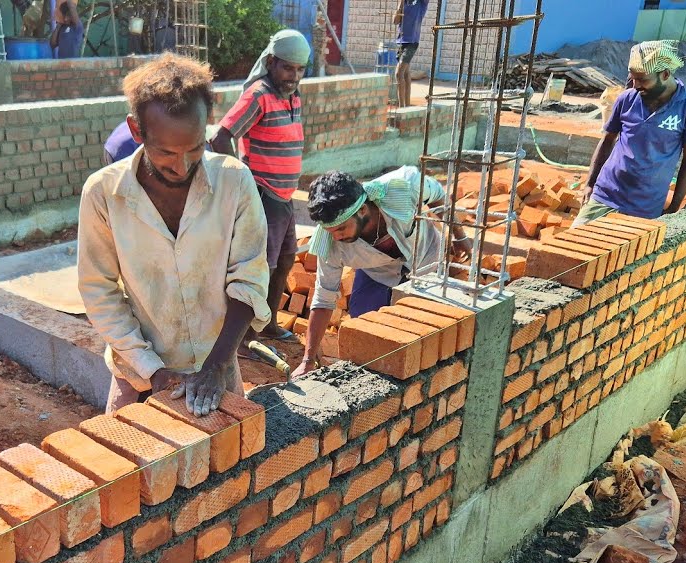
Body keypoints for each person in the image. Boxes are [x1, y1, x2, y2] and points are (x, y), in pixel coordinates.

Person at [77, 54, 271, 416]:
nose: (181, 166)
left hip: (216, 369)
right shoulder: (104, 194)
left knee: (230, 466)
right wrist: (153, 371)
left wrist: (215, 366)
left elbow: (249, 277)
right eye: (166, 152)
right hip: (138, 373)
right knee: (130, 467)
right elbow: (98, 290)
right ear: (137, 131)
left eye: (195, 148)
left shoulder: (234, 181)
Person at [294, 166, 464, 377]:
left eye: (341, 229)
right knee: (366, 336)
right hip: (378, 272)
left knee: (424, 333)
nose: (336, 237)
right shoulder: (329, 245)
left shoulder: (404, 187)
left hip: (426, 259)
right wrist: (308, 360)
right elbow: (323, 299)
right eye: (330, 231)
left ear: (363, 210)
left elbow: (438, 195)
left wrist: (459, 235)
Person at [210, 30, 311, 347]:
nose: (294, 76)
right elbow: (220, 137)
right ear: (271, 63)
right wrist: (243, 181)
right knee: (259, 267)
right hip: (264, 195)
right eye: (287, 68)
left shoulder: (291, 95)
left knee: (284, 261)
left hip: (284, 198)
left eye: (299, 70)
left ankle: (267, 324)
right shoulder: (259, 94)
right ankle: (245, 339)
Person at [575, 40, 686, 227]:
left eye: (643, 79)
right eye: (632, 78)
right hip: (605, 195)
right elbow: (607, 140)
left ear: (665, 74)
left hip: (645, 207)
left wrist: (674, 206)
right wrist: (590, 184)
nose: (635, 85)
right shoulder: (627, 99)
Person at [392, 0, 428, 107]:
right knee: (406, 74)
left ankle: (401, 107)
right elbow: (395, 21)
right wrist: (400, 4)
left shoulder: (420, 3)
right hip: (400, 42)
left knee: (399, 73)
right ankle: (406, 105)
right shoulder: (403, 2)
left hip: (412, 42)